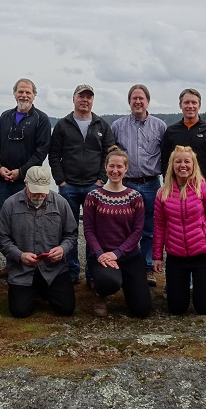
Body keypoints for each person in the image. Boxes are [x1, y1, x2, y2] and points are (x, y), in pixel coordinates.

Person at [49, 84, 115, 284]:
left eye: (88, 97)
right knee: (69, 230)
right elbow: (54, 155)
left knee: (94, 231)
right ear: (73, 98)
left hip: (94, 187)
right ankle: (71, 271)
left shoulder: (101, 125)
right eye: (81, 96)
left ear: (92, 101)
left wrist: (101, 180)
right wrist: (60, 180)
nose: (85, 100)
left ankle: (93, 274)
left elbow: (109, 154)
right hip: (68, 186)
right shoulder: (62, 124)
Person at [0, 166, 78, 318]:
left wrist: (62, 249)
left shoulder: (61, 203)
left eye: (43, 190)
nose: (39, 195)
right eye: (35, 190)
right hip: (23, 270)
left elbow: (71, 234)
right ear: (26, 183)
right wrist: (19, 255)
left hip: (54, 270)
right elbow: (2, 237)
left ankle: (44, 291)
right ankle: (34, 291)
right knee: (19, 311)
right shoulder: (10, 204)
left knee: (66, 309)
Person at [153, 145, 206, 315]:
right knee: (176, 309)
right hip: (176, 257)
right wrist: (157, 256)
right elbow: (159, 225)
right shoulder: (163, 193)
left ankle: (201, 290)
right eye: (178, 162)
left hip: (202, 255)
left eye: (187, 161)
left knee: (205, 309)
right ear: (172, 165)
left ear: (194, 165)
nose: (182, 165)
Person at [83, 146, 151, 318]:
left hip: (129, 257)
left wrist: (118, 253)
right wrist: (99, 254)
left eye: (119, 167)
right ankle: (100, 294)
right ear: (105, 167)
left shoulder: (135, 197)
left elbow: (137, 231)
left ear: (126, 169)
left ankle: (128, 285)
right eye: (111, 166)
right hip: (102, 257)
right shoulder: (93, 196)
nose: (115, 170)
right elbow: (89, 230)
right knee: (110, 281)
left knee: (141, 310)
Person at [111, 84, 167, 288]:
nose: (138, 102)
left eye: (141, 98)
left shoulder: (160, 126)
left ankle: (148, 268)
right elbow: (110, 154)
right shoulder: (117, 125)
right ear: (129, 101)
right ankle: (125, 265)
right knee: (124, 227)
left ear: (148, 101)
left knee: (150, 229)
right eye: (134, 98)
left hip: (151, 183)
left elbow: (167, 155)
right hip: (126, 184)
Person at [0, 78, 51, 212]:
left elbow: (42, 151)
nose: (24, 95)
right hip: (4, 181)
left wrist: (21, 171)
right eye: (20, 91)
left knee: (27, 219)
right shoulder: (5, 116)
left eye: (28, 92)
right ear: (14, 94)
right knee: (5, 218)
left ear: (34, 96)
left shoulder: (41, 119)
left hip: (29, 182)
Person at [161, 88, 206, 188]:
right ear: (180, 105)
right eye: (186, 102)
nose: (190, 106)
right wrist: (169, 184)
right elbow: (165, 161)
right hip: (177, 188)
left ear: (199, 105)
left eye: (194, 102)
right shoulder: (171, 131)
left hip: (202, 188)